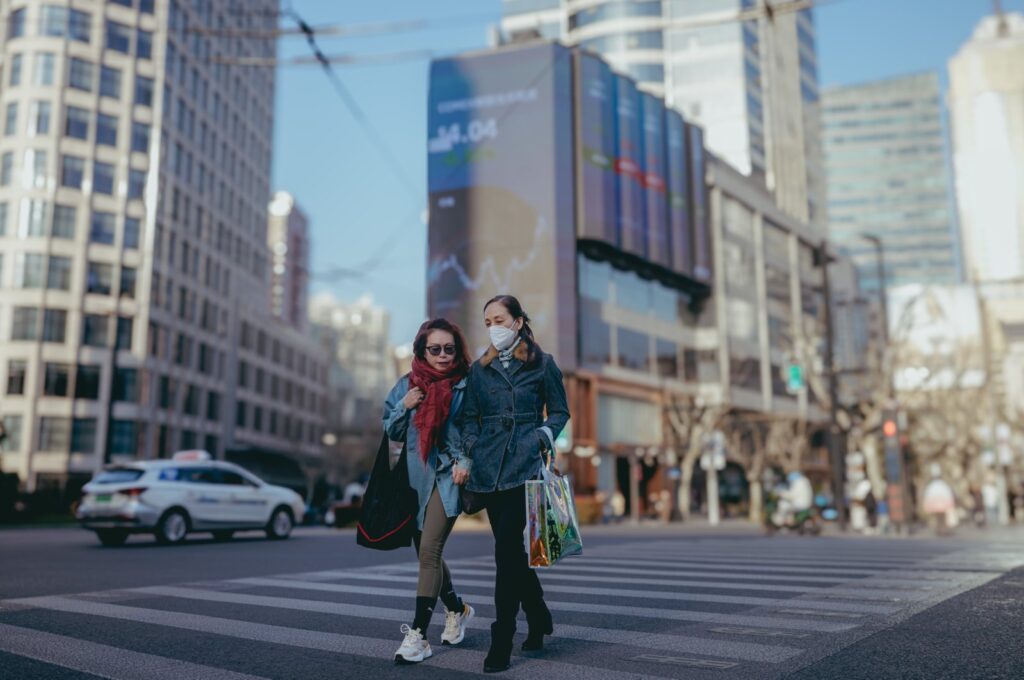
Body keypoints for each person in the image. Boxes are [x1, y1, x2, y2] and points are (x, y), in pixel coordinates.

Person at [460, 294, 570, 673]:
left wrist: (541, 436)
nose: (494, 327)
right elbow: (470, 418)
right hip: (490, 471)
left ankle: (501, 639)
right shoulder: (479, 369)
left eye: (500, 319)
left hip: (525, 466)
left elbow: (560, 411)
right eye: (488, 321)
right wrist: (474, 446)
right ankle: (538, 616)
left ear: (518, 322)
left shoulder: (543, 365)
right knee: (511, 554)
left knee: (506, 552)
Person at [382, 318, 476, 665]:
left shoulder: (467, 385)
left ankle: (419, 635)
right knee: (427, 551)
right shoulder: (407, 384)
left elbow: (473, 427)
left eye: (449, 349)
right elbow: (390, 429)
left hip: (448, 476)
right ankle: (457, 609)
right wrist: (404, 405)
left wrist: (465, 458)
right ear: (421, 350)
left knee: (429, 549)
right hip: (414, 478)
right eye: (434, 349)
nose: (442, 355)